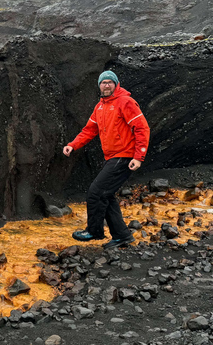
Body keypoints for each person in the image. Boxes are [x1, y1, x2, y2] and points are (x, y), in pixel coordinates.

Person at [63, 70, 150, 249]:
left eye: (111, 82)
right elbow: (89, 130)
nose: (107, 85)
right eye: (104, 82)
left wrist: (139, 156)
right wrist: (73, 145)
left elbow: (142, 128)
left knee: (95, 192)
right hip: (112, 157)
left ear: (116, 84)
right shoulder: (100, 107)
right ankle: (122, 236)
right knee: (106, 195)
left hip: (125, 156)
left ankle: (94, 231)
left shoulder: (125, 102)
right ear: (99, 86)